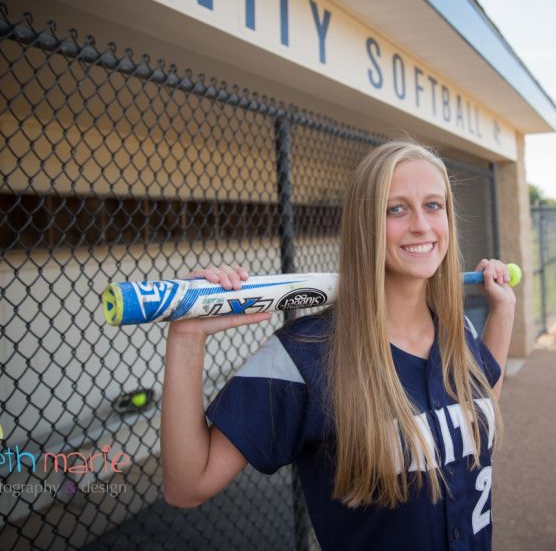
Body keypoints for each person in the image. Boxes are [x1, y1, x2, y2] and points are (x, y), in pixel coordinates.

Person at [161, 140, 516, 550]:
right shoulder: (304, 355)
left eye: (434, 205)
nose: (421, 224)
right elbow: (187, 486)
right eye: (395, 208)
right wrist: (187, 336)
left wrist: (502, 312)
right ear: (366, 224)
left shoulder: (458, 331)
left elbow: (477, 412)